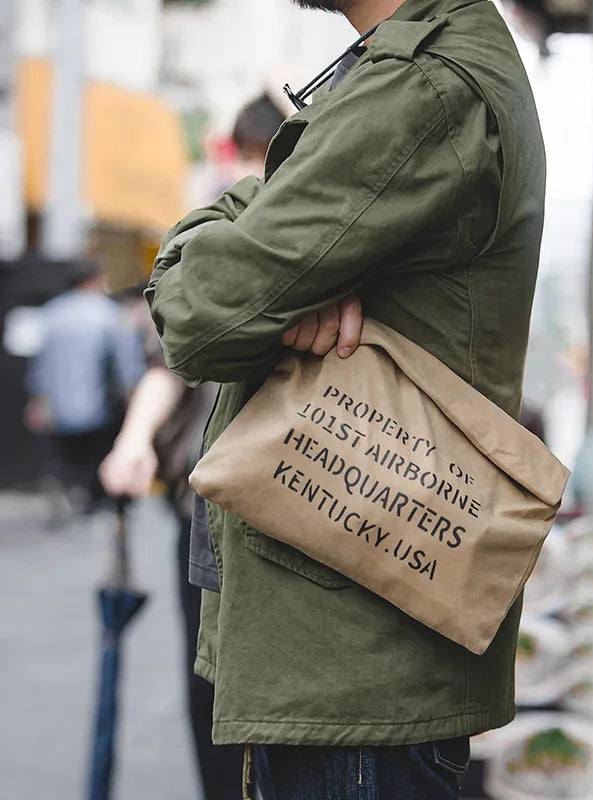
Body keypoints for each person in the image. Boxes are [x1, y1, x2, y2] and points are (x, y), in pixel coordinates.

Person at [146, 0, 546, 795]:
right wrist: (272, 256)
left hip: (351, 674)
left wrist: (232, 225)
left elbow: (197, 317)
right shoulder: (414, 69)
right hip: (348, 657)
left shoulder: (424, 88)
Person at [98, 94, 291, 800]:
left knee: (231, 692)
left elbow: (165, 362)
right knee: (222, 687)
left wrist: (135, 439)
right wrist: (134, 439)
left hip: (252, 502)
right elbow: (168, 359)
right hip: (238, 501)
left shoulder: (265, 228)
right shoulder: (236, 230)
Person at [25, 260, 144, 518]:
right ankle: (92, 498)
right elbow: (127, 363)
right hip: (100, 406)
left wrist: (38, 399)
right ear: (93, 280)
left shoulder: (51, 313)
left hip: (59, 406)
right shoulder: (109, 313)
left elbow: (39, 363)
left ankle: (68, 487)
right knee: (97, 455)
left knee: (66, 456)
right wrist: (133, 395)